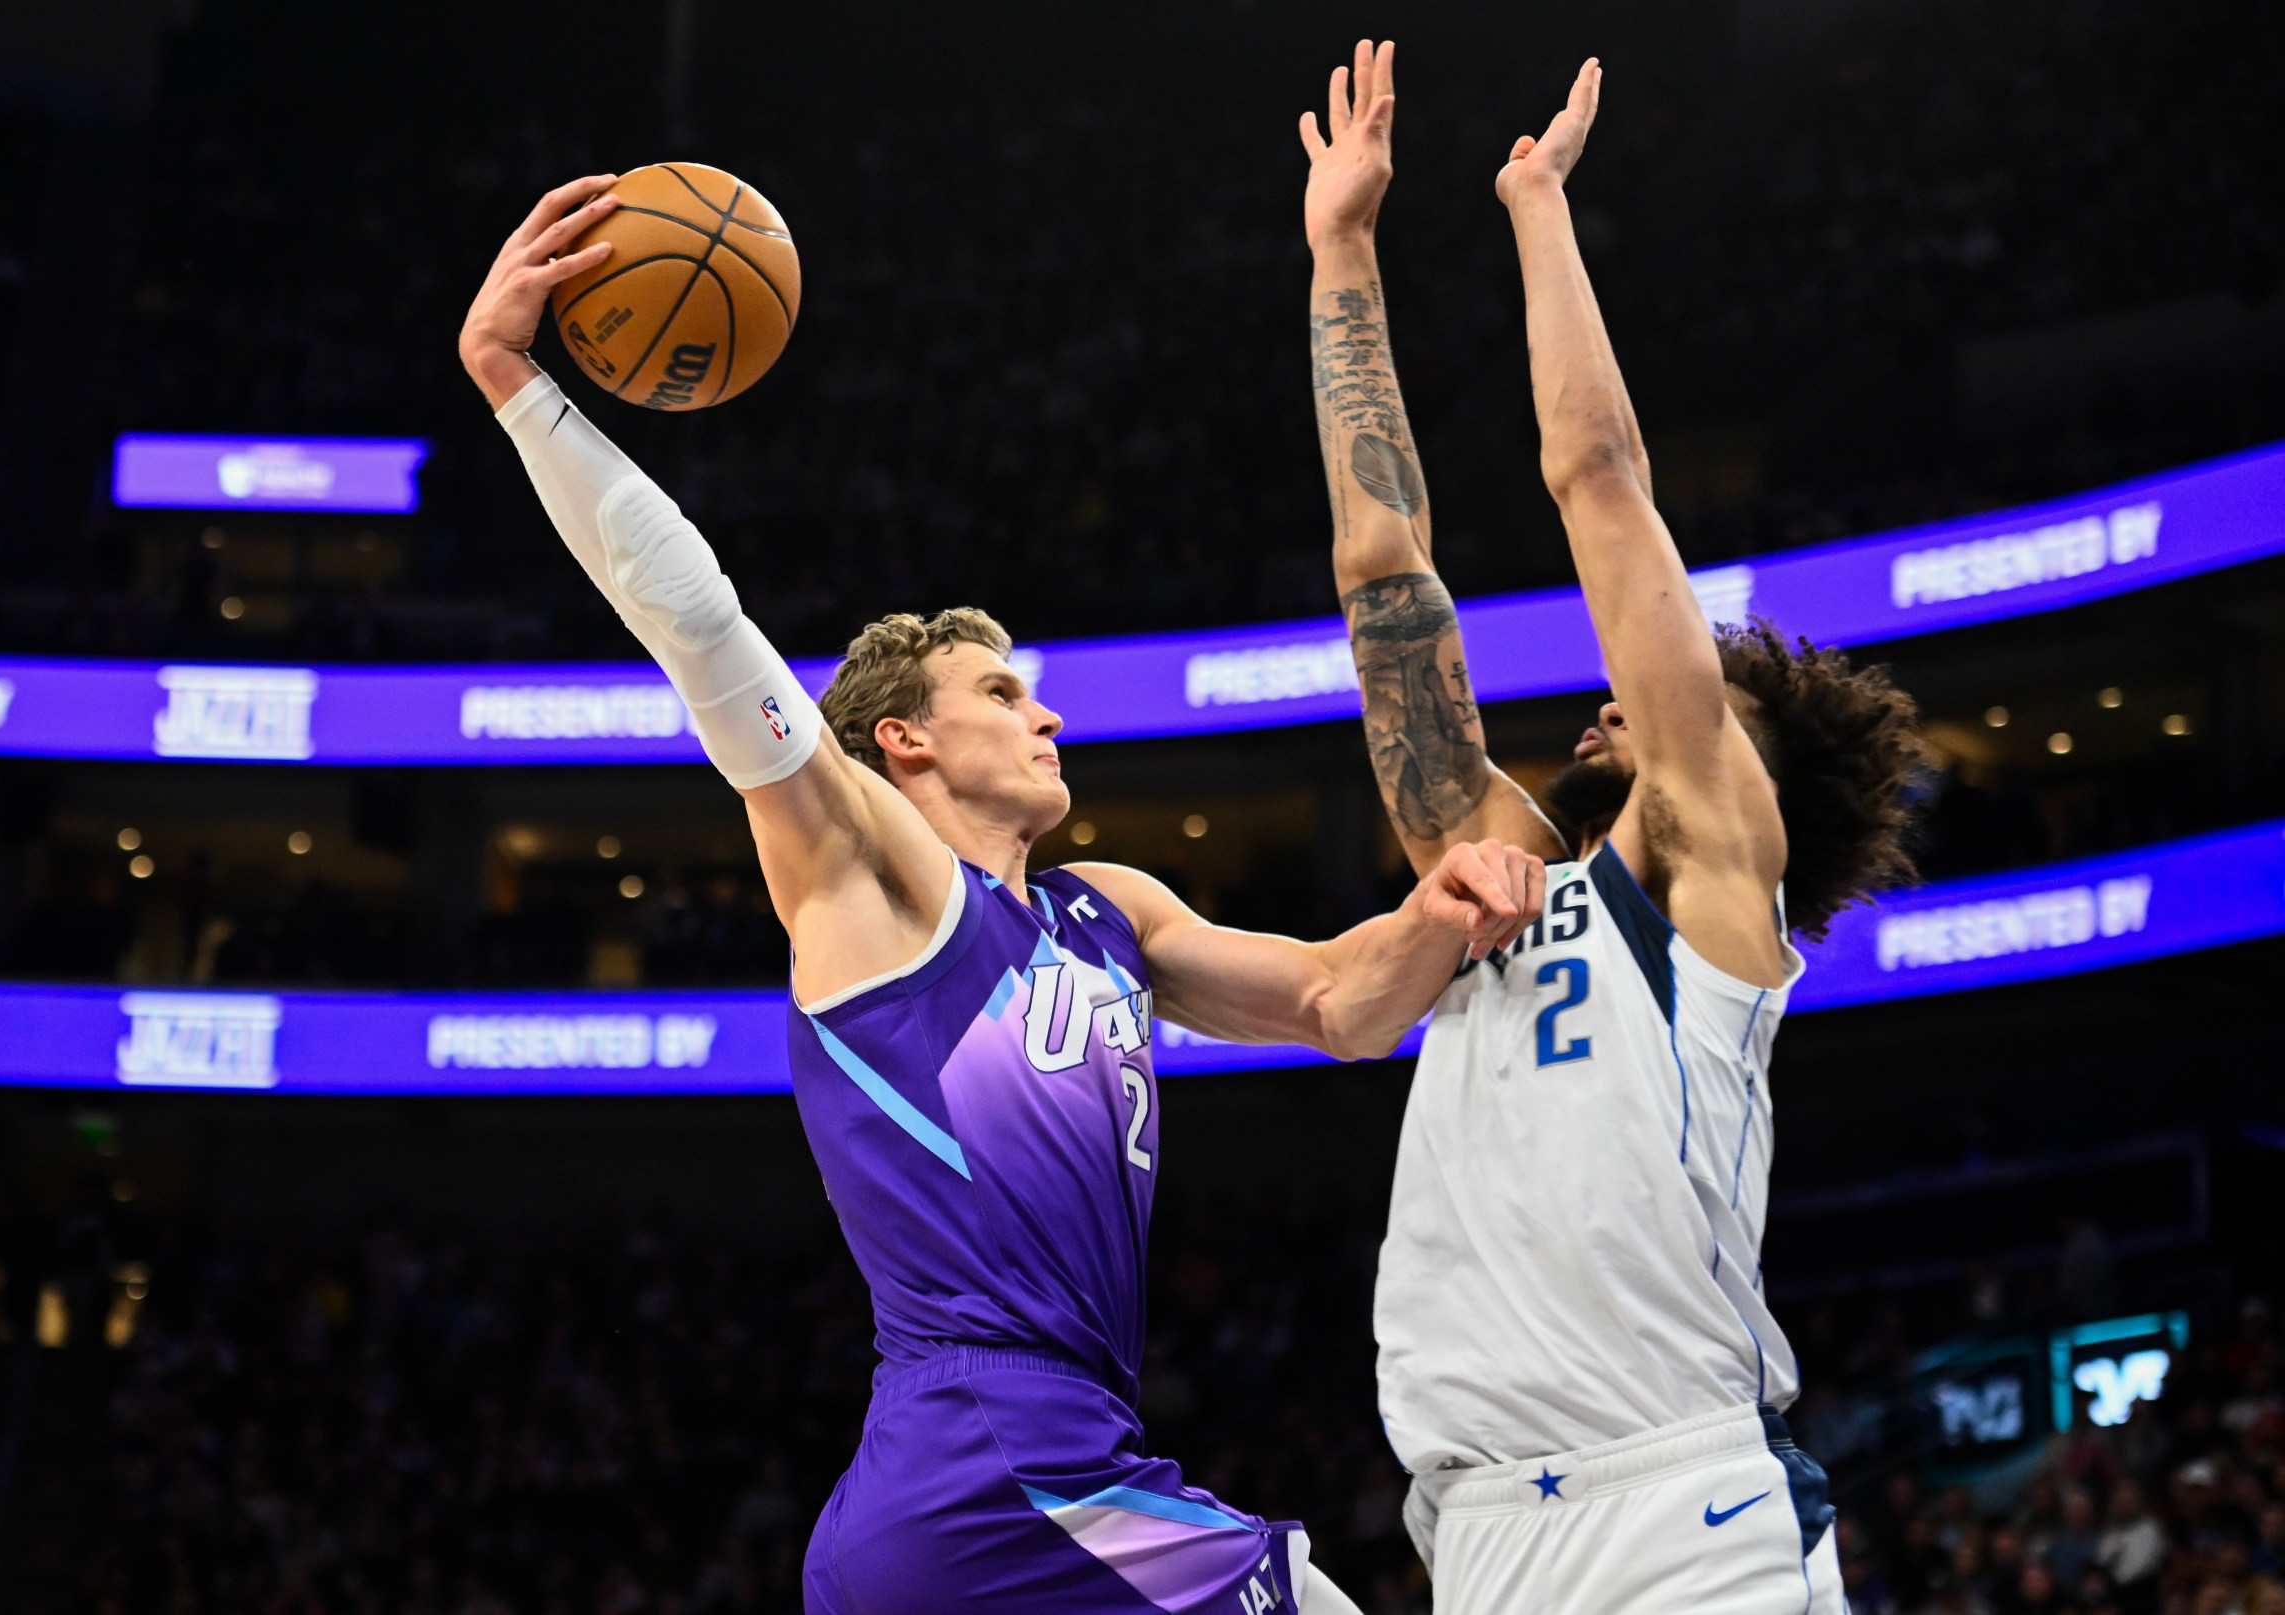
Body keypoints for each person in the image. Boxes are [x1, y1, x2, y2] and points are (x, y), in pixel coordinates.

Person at [458, 175, 1547, 1615]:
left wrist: (1449, 904)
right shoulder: (881, 881)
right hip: (996, 1464)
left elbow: (1342, 1003)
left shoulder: (1108, 913)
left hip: (1023, 1466)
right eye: (999, 690)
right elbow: (703, 626)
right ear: (902, 738)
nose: (1044, 718)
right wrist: (517, 384)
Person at [1299, 43, 1928, 1614]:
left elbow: (1596, 476)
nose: (1615, 701)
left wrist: (1533, 208)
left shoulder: (1717, 877)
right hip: (1482, 1531)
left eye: (1672, 702)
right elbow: (1386, 576)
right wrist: (1341, 248)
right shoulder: (1497, 871)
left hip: (1680, 1508)